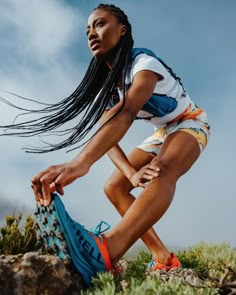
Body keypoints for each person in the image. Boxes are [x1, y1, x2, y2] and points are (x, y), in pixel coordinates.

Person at [1, 4, 210, 286]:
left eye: (99, 24)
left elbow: (125, 115)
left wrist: (80, 164)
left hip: (190, 121)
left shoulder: (144, 65)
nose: (91, 34)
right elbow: (107, 133)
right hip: (163, 131)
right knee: (114, 186)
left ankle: (108, 250)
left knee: (162, 169)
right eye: (88, 30)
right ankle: (163, 257)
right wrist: (129, 173)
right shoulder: (110, 87)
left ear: (122, 30)